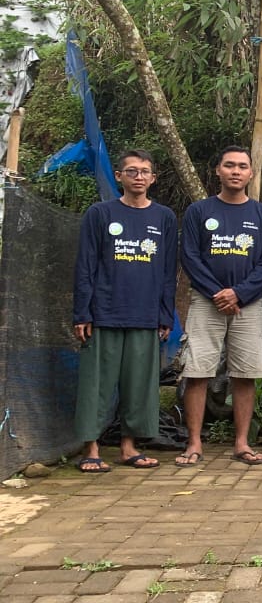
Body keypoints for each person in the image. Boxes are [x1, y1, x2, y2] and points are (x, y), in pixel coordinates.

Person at [72, 149, 177, 473]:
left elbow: (168, 271)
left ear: (153, 178)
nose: (138, 177)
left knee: (139, 386)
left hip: (145, 316)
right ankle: (91, 448)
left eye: (144, 171)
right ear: (119, 176)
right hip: (103, 314)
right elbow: (86, 266)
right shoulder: (99, 214)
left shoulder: (164, 217)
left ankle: (129, 447)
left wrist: (165, 314)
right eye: (131, 171)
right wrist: (82, 313)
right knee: (97, 385)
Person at [178, 145, 262, 467]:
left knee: (245, 374)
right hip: (205, 303)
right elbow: (189, 256)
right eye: (230, 165)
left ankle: (242, 443)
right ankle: (194, 443)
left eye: (242, 166)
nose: (236, 171)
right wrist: (217, 294)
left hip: (248, 305)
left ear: (251, 173)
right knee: (197, 371)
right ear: (218, 171)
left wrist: (238, 293)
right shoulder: (199, 211)